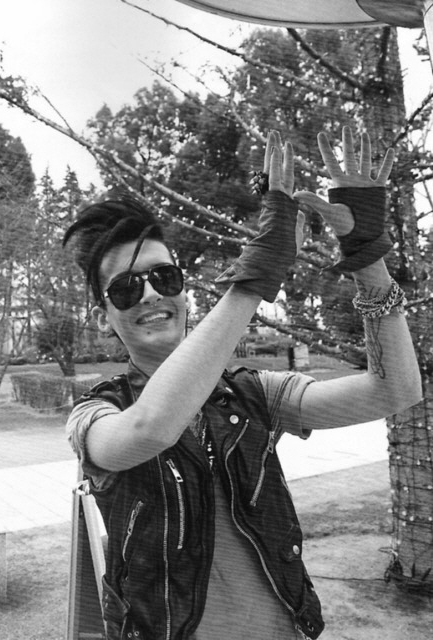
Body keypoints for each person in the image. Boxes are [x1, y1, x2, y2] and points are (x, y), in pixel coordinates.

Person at [63, 127, 421, 640]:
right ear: (103, 318)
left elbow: (394, 391)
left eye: (163, 277)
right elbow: (150, 429)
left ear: (184, 292)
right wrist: (257, 273)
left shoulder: (253, 394)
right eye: (124, 288)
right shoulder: (95, 414)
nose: (150, 295)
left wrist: (368, 259)